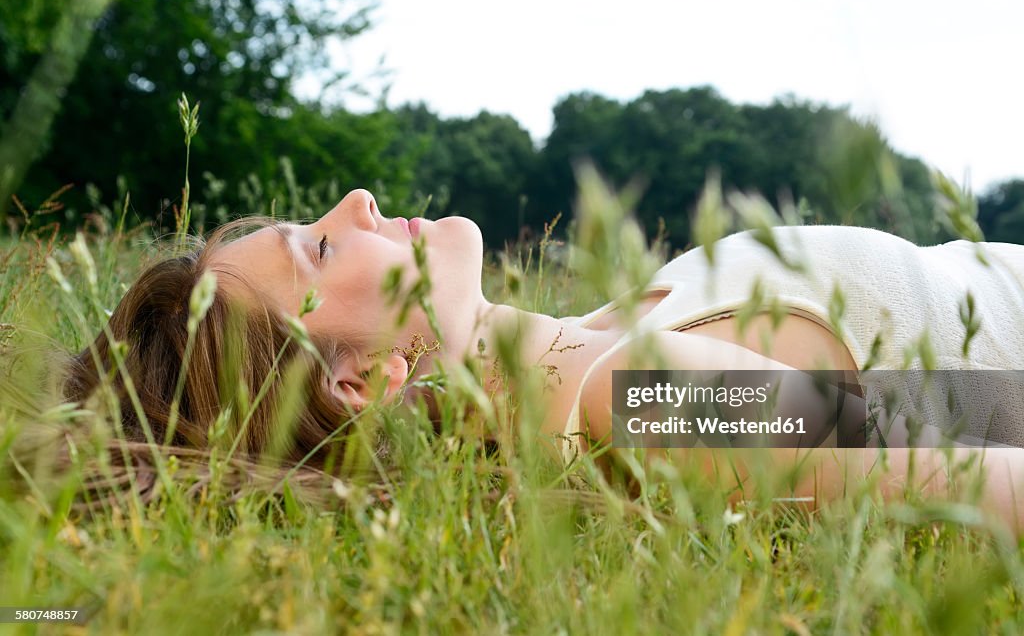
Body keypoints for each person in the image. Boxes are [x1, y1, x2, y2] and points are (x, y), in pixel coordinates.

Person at [66, 188, 1024, 529]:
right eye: (318, 248)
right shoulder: (637, 401)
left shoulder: (593, 341)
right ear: (356, 383)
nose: (354, 203)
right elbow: (966, 479)